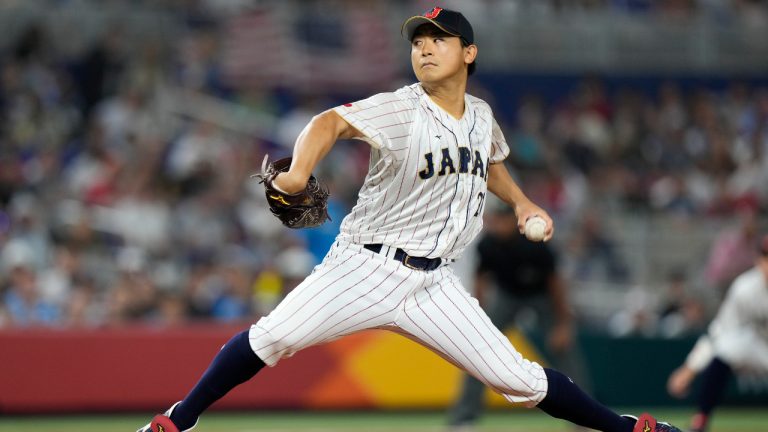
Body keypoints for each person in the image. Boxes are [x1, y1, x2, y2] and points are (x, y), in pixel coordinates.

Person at [138, 7, 681, 432]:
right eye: (418, 42)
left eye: (437, 40)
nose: (424, 48)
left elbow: (487, 163)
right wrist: (301, 169)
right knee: (273, 337)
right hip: (365, 267)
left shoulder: (482, 115)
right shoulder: (401, 108)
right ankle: (178, 419)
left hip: (435, 283)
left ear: (469, 52)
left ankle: (629, 429)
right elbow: (329, 122)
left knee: (517, 377)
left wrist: (521, 202)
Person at [447, 205, 589, 428]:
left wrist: (563, 324)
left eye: (502, 219)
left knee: (565, 352)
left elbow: (556, 285)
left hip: (542, 296)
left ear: (513, 221)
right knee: (477, 350)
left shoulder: (535, 245)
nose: (498, 224)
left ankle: (583, 416)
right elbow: (480, 279)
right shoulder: (488, 244)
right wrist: (476, 314)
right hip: (507, 296)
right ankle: (464, 417)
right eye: (495, 219)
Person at [667, 233, 768, 432]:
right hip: (758, 346)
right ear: (758, 260)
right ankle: (701, 419)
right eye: (766, 257)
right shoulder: (745, 288)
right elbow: (720, 332)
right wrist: (690, 368)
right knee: (727, 348)